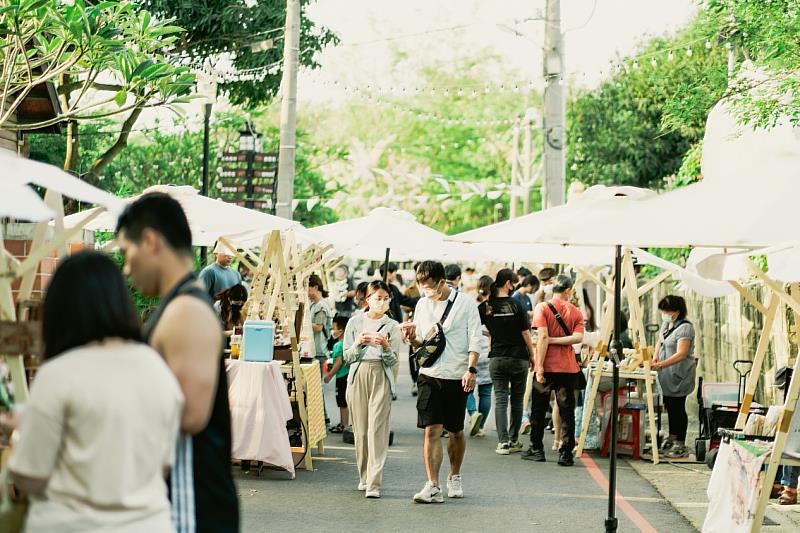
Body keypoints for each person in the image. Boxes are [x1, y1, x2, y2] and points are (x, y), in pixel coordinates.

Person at [5, 252, 183, 533]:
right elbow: (163, 464)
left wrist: (20, 433)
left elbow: (29, 476)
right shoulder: (158, 369)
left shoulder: (58, 374)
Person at [116, 192, 239, 532]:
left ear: (150, 241)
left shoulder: (186, 311)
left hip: (190, 505)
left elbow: (189, 415)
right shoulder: (181, 306)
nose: (126, 268)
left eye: (126, 252)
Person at [402, 261, 482, 503]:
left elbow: (475, 338)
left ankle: (454, 475)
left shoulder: (466, 303)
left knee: (456, 430)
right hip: (429, 373)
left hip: (457, 374)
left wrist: (471, 369)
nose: (426, 291)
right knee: (431, 429)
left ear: (442, 282)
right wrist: (411, 339)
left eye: (429, 286)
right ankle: (433, 485)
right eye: (422, 287)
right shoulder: (422, 305)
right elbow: (422, 343)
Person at [342, 281, 402, 499]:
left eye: (386, 298)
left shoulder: (392, 326)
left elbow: (394, 360)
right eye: (378, 298)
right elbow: (347, 357)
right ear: (367, 299)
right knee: (361, 430)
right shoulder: (355, 322)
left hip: (381, 376)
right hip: (358, 374)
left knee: (377, 429)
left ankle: (374, 483)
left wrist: (385, 347)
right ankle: (364, 476)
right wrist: (358, 343)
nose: (382, 302)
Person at [523, 274, 584, 466]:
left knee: (538, 409)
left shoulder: (542, 308)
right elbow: (578, 338)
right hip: (568, 368)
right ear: (568, 291)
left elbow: (542, 337)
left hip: (547, 365)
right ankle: (566, 453)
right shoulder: (576, 311)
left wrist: (539, 366)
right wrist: (558, 341)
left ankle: (536, 449)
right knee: (567, 412)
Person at [480, 269, 537, 455]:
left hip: (497, 358)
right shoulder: (517, 304)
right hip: (519, 357)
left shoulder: (485, 306)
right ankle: (513, 440)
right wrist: (533, 355)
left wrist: (493, 334)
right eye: (513, 284)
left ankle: (503, 442)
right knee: (517, 401)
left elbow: (477, 328)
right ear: (507, 283)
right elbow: (525, 333)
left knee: (501, 400)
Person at [653, 295, 696, 459]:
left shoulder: (685, 329)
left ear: (677, 311)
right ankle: (672, 436)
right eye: (663, 311)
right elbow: (660, 342)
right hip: (666, 374)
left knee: (678, 406)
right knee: (669, 405)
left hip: (679, 373)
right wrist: (655, 357)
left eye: (667, 311)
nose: (664, 314)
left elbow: (681, 353)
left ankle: (680, 442)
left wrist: (661, 365)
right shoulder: (667, 324)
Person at [467, 275, 494, 438]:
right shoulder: (497, 306)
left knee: (466, 387)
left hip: (473, 350)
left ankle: (473, 412)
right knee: (486, 391)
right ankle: (481, 427)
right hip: (489, 351)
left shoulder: (473, 305)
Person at [325, 315, 351, 433]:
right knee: (343, 401)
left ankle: (344, 425)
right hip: (347, 375)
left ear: (341, 331)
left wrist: (329, 375)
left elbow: (338, 362)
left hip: (341, 377)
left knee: (342, 402)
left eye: (333, 328)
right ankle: (343, 423)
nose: (332, 331)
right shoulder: (347, 344)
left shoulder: (338, 345)